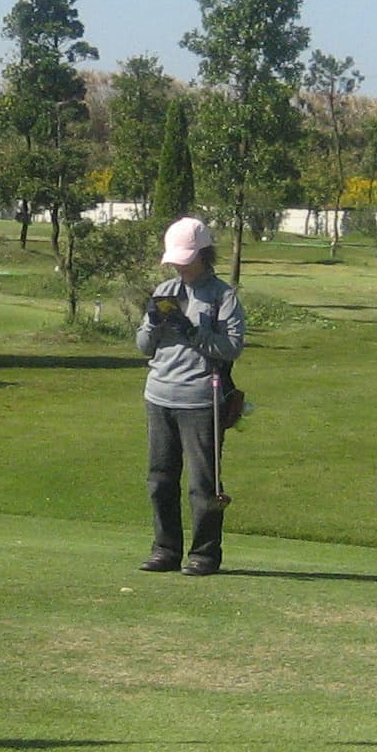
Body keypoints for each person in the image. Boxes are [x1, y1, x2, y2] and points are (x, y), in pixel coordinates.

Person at [134, 216, 246, 577]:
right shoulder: (164, 291)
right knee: (160, 478)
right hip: (160, 394)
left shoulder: (222, 297)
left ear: (203, 254)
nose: (180, 265)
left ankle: (205, 554)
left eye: (187, 257)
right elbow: (142, 347)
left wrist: (193, 332)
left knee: (203, 483)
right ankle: (165, 550)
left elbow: (231, 348)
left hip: (201, 399)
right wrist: (152, 324)